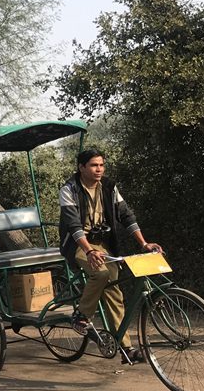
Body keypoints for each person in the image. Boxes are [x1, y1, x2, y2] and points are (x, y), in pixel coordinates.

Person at [59, 149, 163, 364]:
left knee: (115, 291)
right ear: (81, 167)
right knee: (101, 273)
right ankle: (82, 315)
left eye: (101, 165)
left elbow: (126, 215)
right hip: (78, 244)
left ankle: (126, 349)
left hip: (103, 244)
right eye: (94, 165)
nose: (99, 169)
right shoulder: (69, 189)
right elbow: (73, 225)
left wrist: (144, 243)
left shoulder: (109, 186)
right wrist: (89, 250)